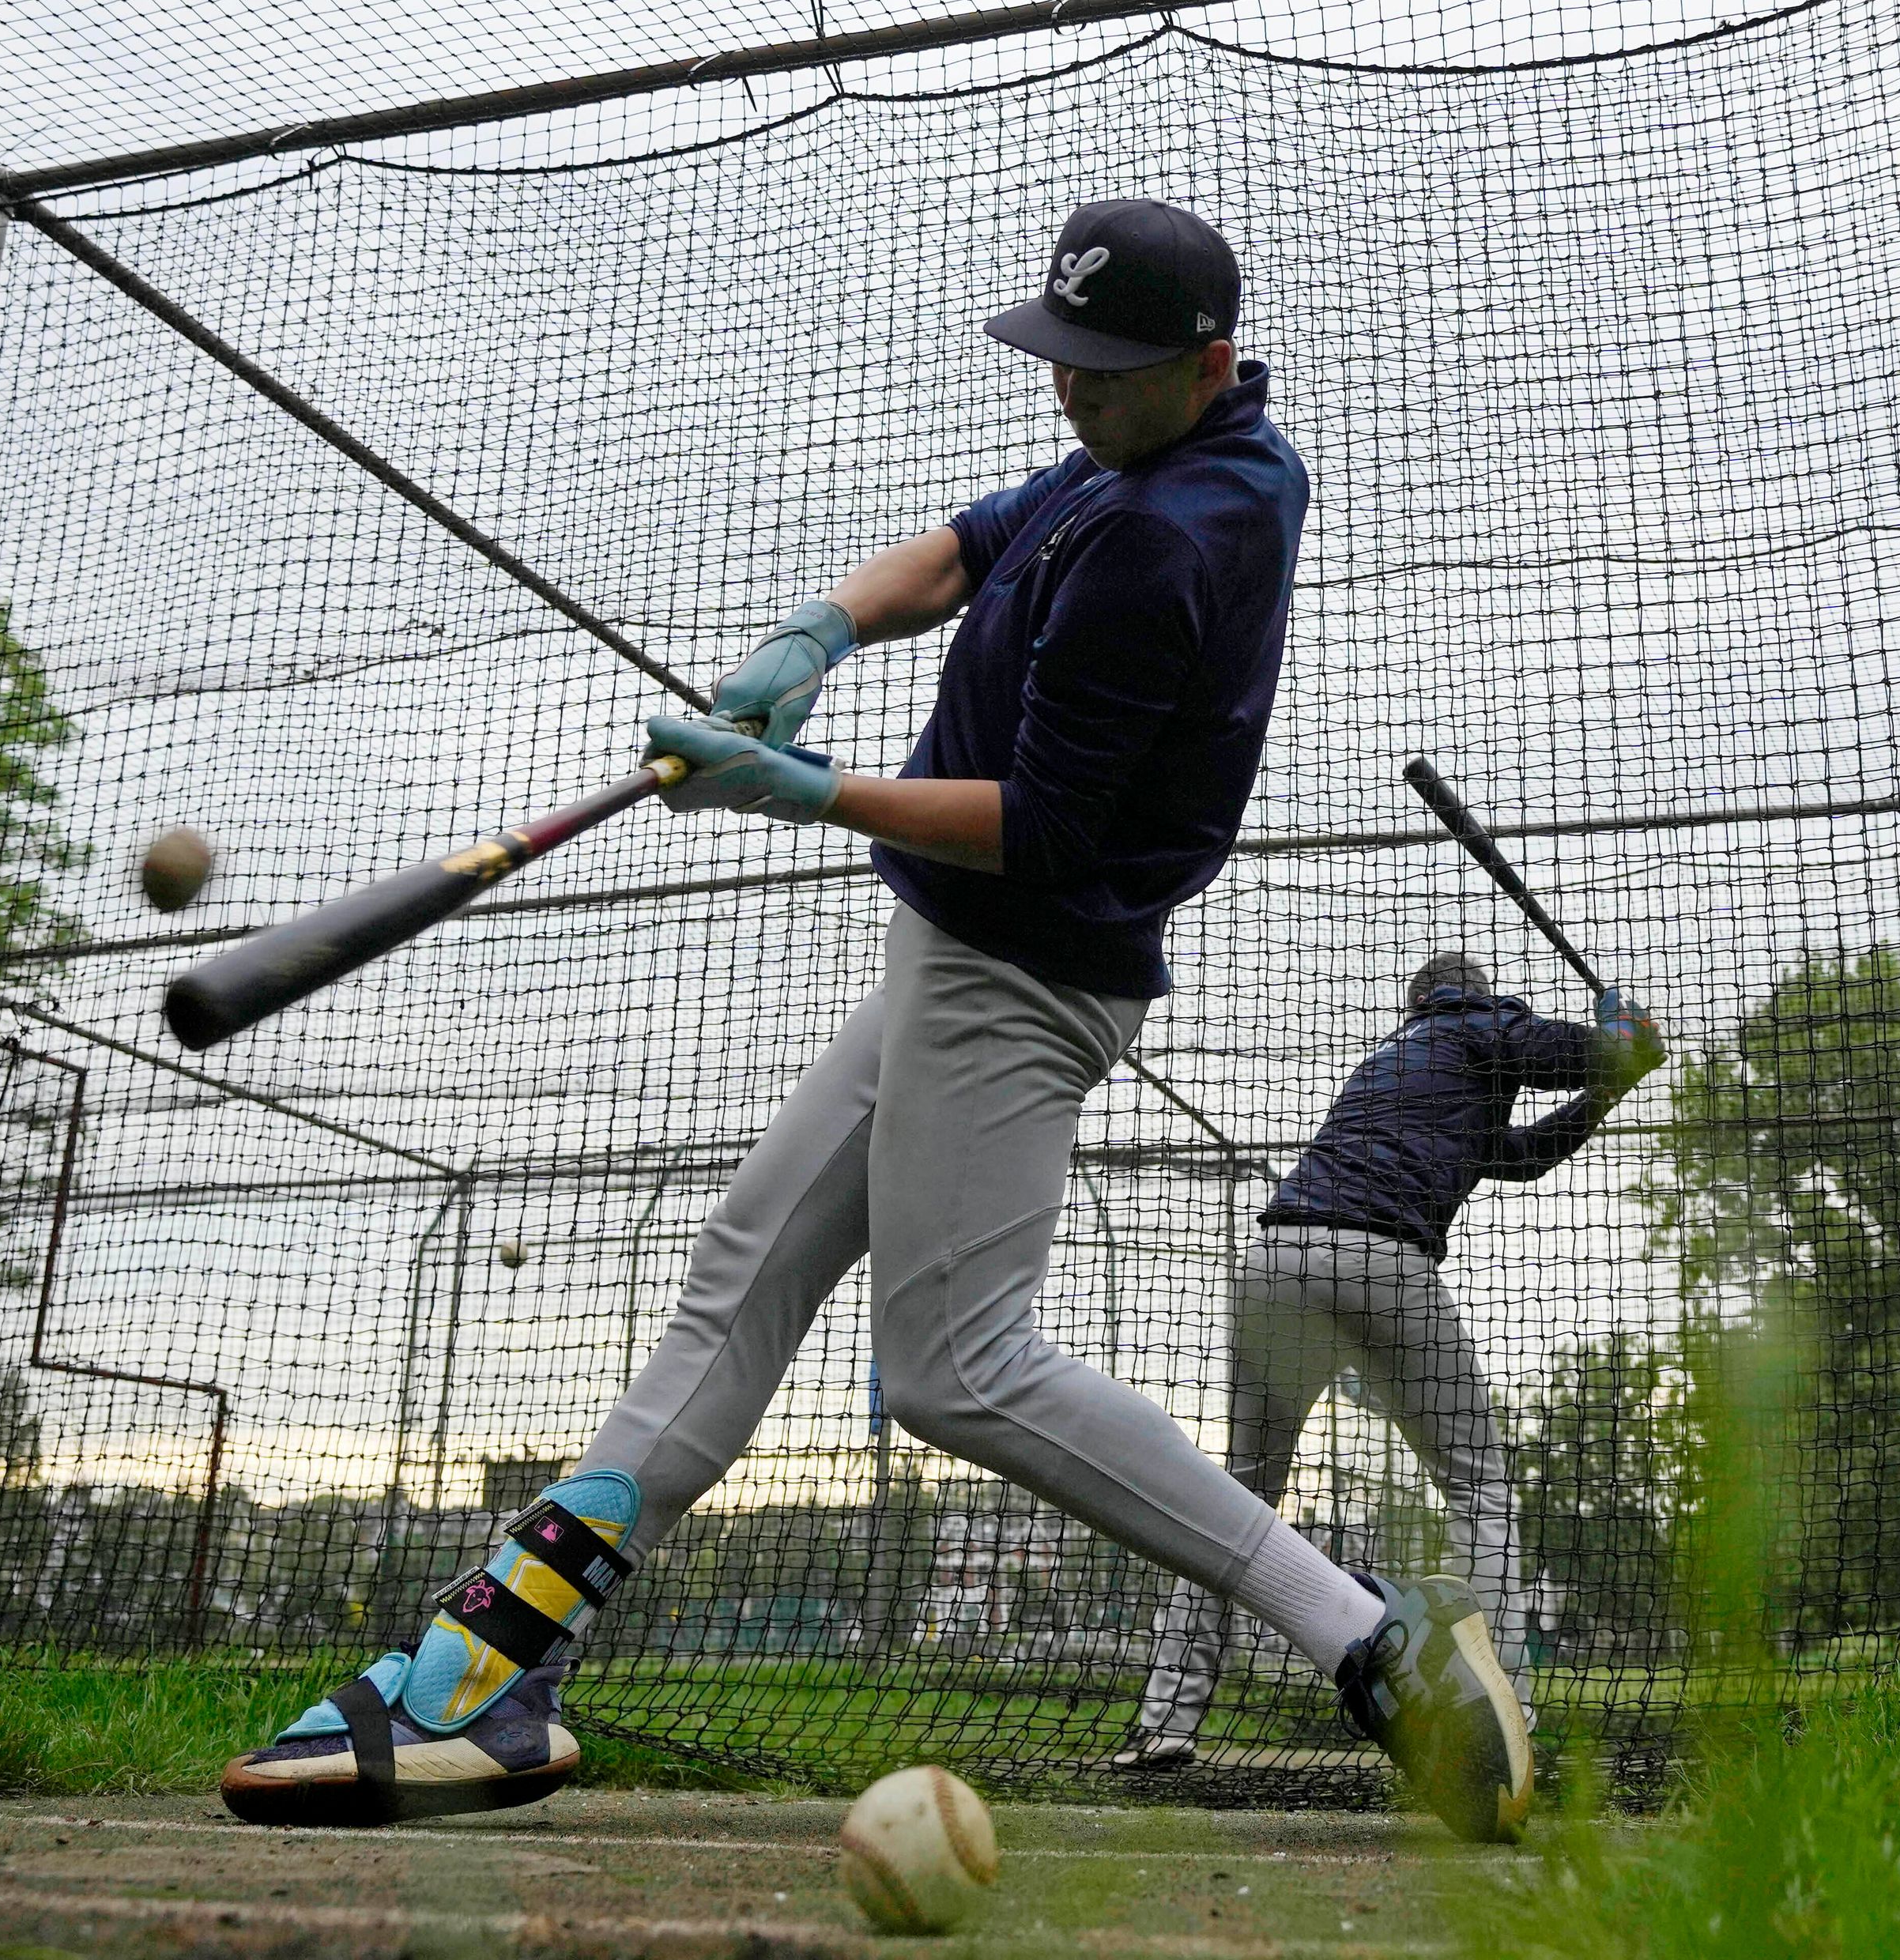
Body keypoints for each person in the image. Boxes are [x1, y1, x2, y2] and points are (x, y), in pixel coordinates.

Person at [225, 200, 1536, 1841]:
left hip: (1020, 968)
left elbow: (1044, 825)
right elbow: (970, 545)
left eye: (1105, 375)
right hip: (962, 959)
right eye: (1061, 360)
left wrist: (803, 788)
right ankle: (488, 1670)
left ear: (1203, 367)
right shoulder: (1148, 450)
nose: (1070, 395)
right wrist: (821, 630)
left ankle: (1372, 1640)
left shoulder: (1169, 539)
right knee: (741, 1270)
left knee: (955, 1366)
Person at [1108, 952, 1661, 1772]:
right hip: (1382, 1261)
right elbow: (1572, 1052)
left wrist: (1609, 1084)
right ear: (1465, 997)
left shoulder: (1400, 1065)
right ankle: (1509, 1710)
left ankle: (1164, 1721)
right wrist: (1622, 1044)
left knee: (1236, 1501)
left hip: (1276, 1260)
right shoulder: (1479, 1025)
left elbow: (1523, 1153)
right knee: (1480, 1483)